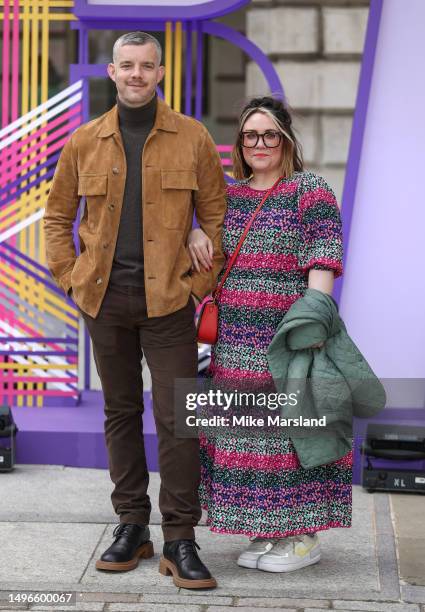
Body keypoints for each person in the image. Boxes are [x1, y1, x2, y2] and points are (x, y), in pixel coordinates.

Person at [43, 31, 226, 589]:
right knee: (120, 413)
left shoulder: (192, 138)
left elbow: (217, 218)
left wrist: (197, 284)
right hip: (105, 302)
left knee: (178, 420)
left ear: (161, 72)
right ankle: (132, 525)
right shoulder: (84, 142)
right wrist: (73, 281)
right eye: (128, 66)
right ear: (112, 73)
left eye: (148, 66)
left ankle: (180, 538)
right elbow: (56, 220)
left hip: (170, 303)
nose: (138, 75)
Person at [187, 96, 352, 572]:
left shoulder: (309, 189)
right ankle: (267, 529)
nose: (259, 144)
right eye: (250, 135)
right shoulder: (231, 196)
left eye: (269, 135)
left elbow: (324, 255)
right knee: (250, 435)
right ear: (240, 144)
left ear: (286, 140)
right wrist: (198, 234)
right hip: (235, 342)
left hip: (286, 335)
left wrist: (311, 322)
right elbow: (209, 246)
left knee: (288, 435)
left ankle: (302, 537)